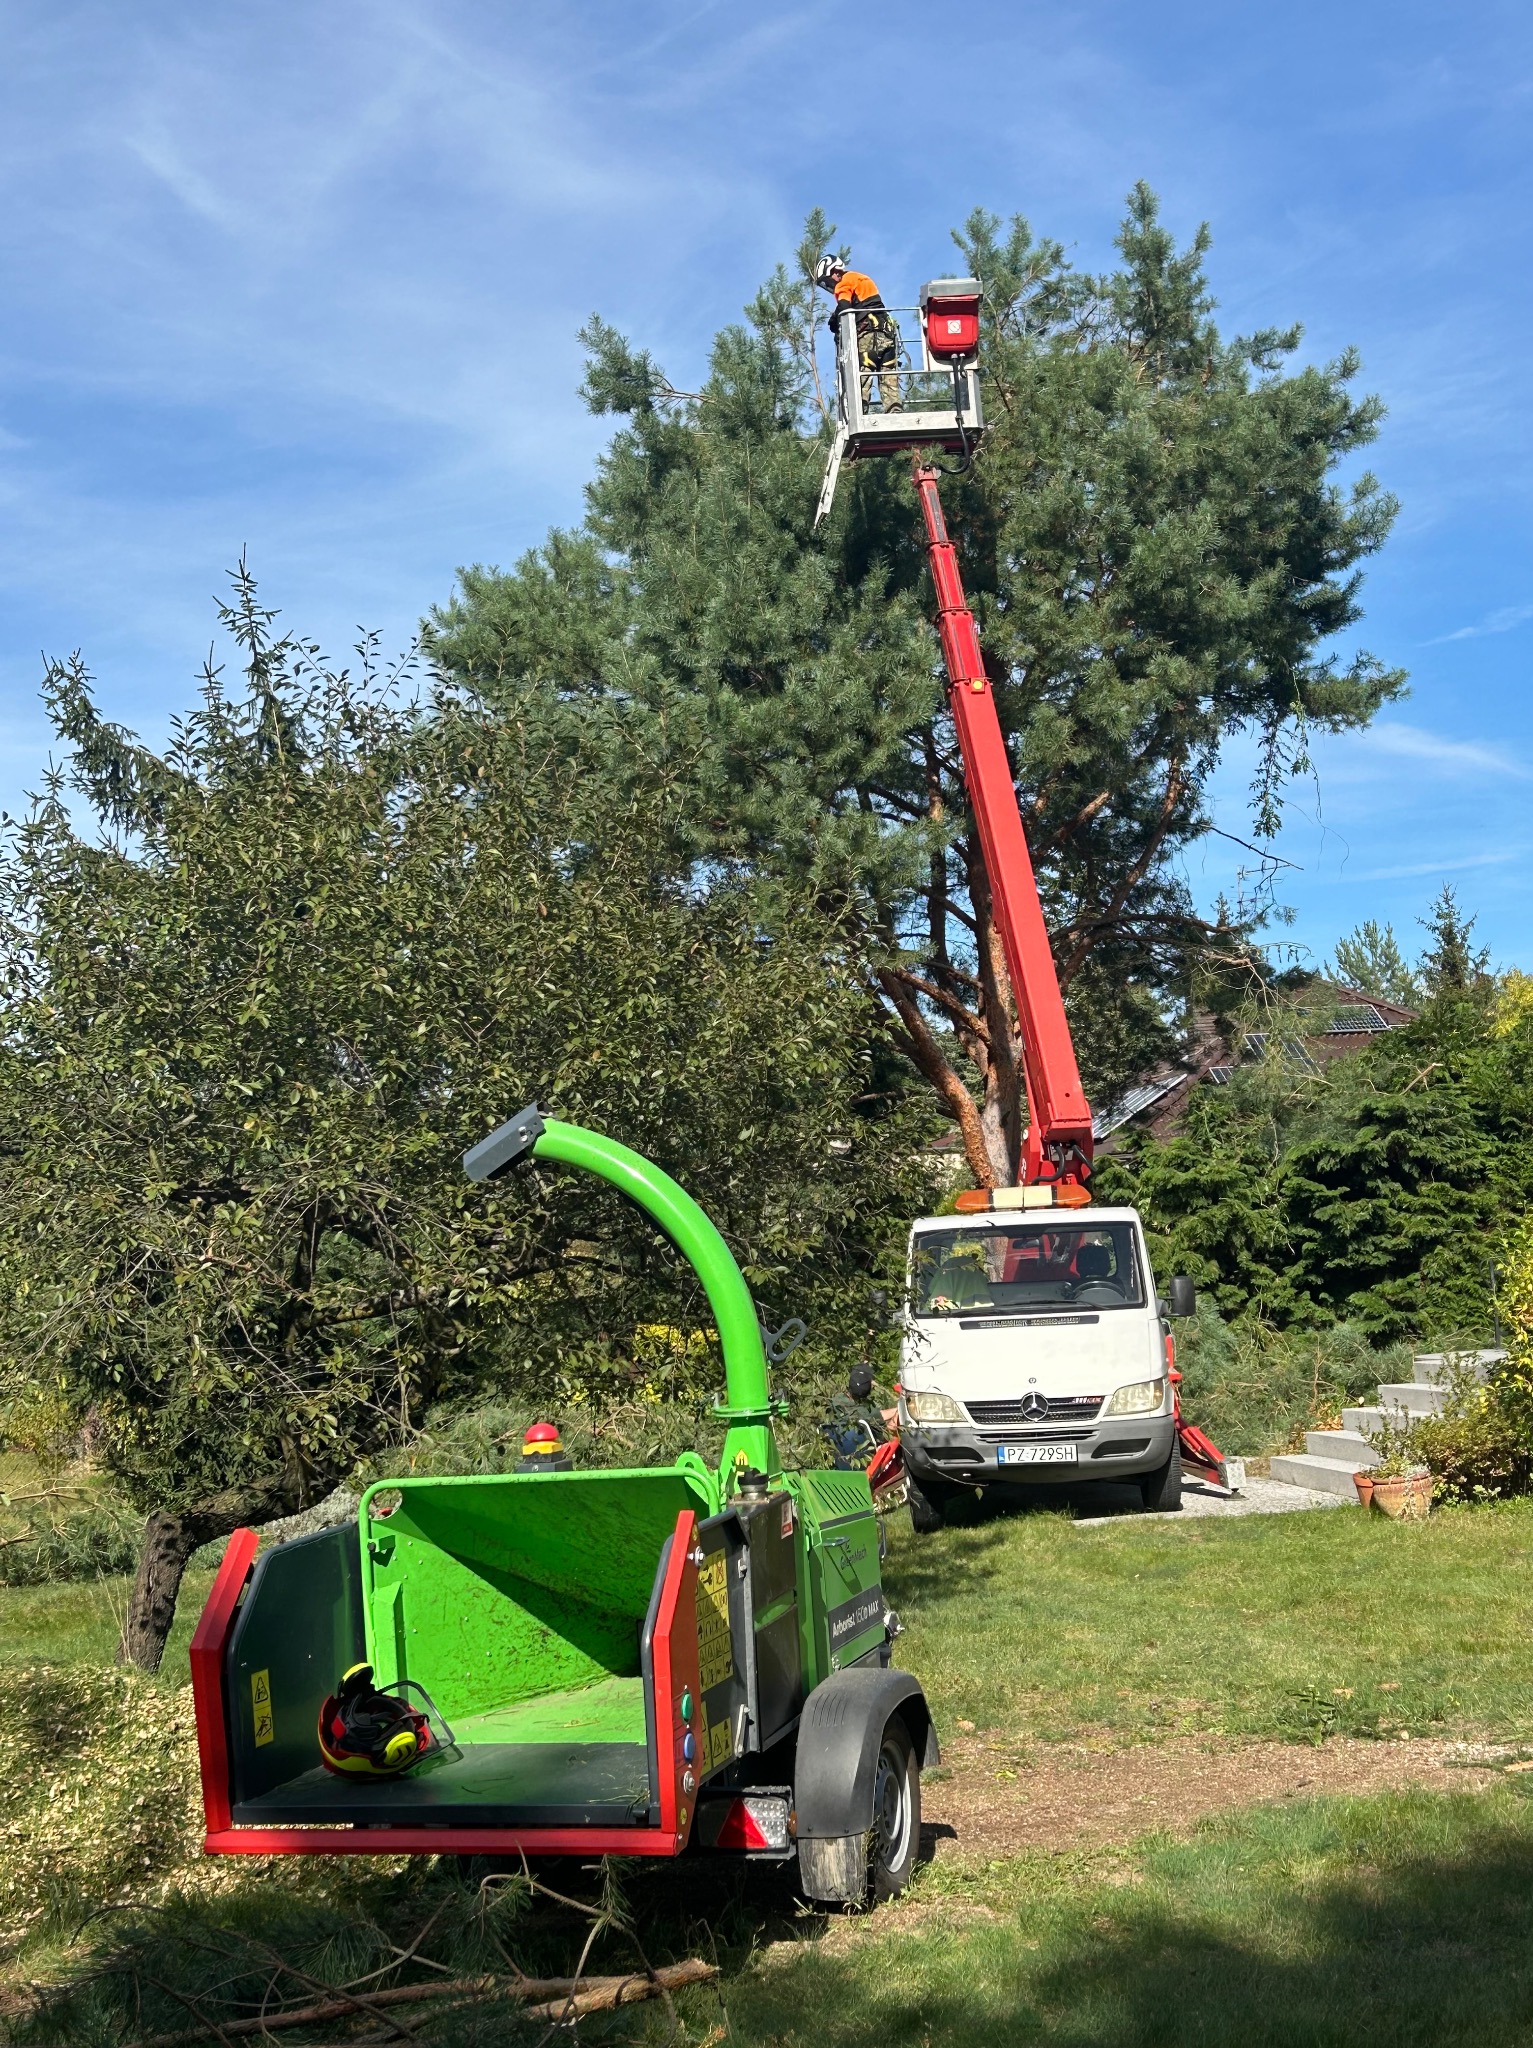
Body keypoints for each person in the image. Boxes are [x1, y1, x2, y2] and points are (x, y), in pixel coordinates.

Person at [814, 255, 902, 415]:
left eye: (828, 279)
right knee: (888, 372)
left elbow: (845, 307)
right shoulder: (861, 278)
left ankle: (859, 411)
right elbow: (863, 303)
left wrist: (835, 323)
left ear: (834, 272)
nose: (830, 284)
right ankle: (894, 409)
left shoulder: (843, 282)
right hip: (886, 332)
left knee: (863, 371)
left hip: (869, 334)